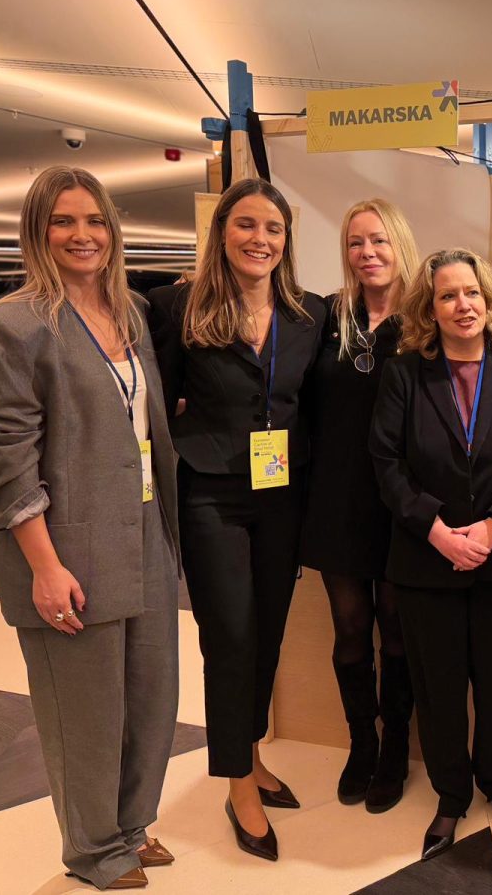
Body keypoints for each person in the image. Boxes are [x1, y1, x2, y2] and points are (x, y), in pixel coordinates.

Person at [0, 166, 180, 890]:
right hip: (67, 545)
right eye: (63, 221)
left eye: (94, 220)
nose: (82, 234)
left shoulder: (131, 314)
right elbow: (6, 459)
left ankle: (130, 826)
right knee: (85, 711)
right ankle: (94, 850)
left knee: (151, 696)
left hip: (144, 529)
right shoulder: (11, 326)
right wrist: (44, 566)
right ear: (38, 231)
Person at [148, 178, 326, 862]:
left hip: (282, 494)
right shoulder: (179, 306)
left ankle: (250, 754)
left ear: (286, 240)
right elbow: (158, 404)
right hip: (211, 494)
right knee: (230, 637)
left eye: (273, 228)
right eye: (246, 225)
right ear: (221, 231)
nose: (260, 239)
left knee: (268, 633)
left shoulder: (308, 314)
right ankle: (237, 784)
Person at [370, 248, 492, 861]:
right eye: (447, 295)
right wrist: (438, 531)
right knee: (438, 686)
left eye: (471, 292)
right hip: (426, 561)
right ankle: (451, 793)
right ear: (431, 308)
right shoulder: (404, 374)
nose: (462, 305)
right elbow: (386, 463)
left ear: (489, 299)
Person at [300, 199, 418, 811]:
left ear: (399, 244)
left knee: (396, 632)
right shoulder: (327, 316)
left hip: (401, 504)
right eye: (355, 242)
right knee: (350, 628)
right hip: (337, 498)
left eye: (378, 240)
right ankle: (361, 743)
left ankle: (395, 747)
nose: (367, 252)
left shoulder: (424, 321)